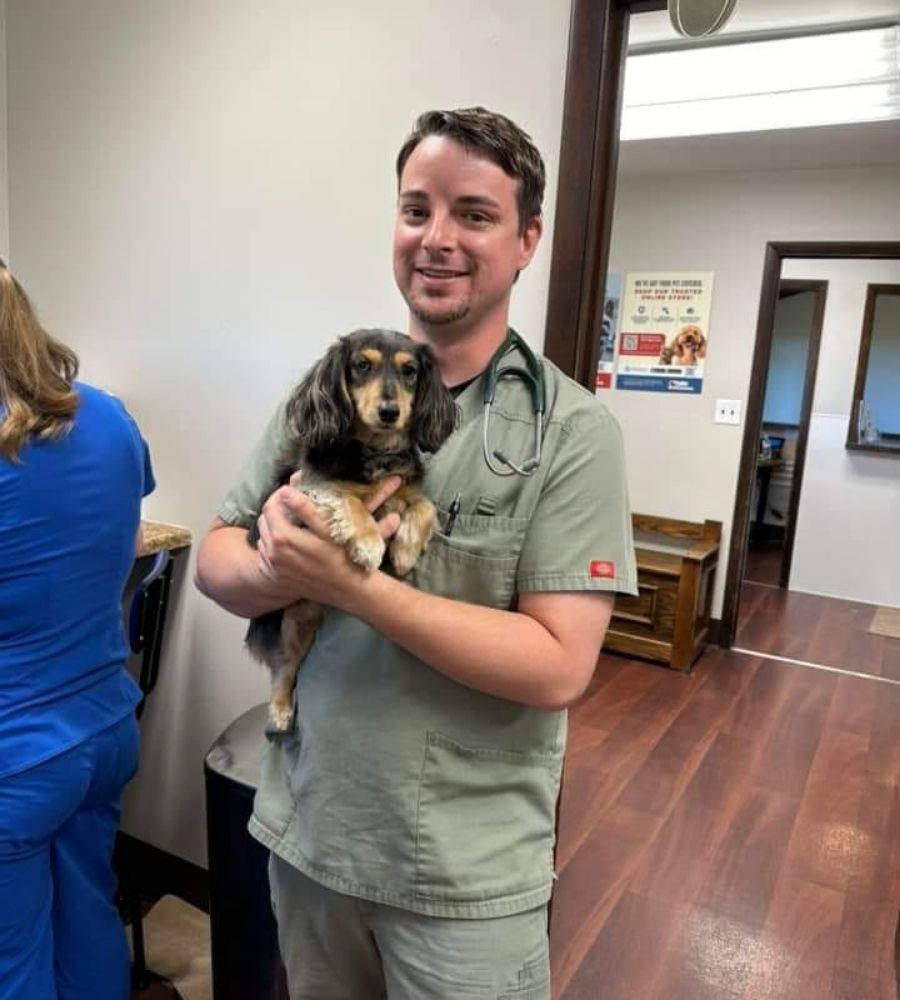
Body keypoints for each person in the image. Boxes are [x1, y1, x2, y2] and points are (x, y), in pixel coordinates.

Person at [196, 107, 637, 999]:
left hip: (462, 883)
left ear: (526, 241)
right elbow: (214, 558)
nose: (437, 239)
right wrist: (278, 566)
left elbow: (558, 667)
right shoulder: (318, 400)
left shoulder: (574, 432)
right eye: (415, 209)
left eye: (474, 215)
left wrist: (353, 587)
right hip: (312, 837)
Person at [0, 260, 155, 999]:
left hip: (17, 760)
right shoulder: (112, 417)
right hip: (105, 732)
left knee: (13, 960)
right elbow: (123, 546)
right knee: (89, 920)